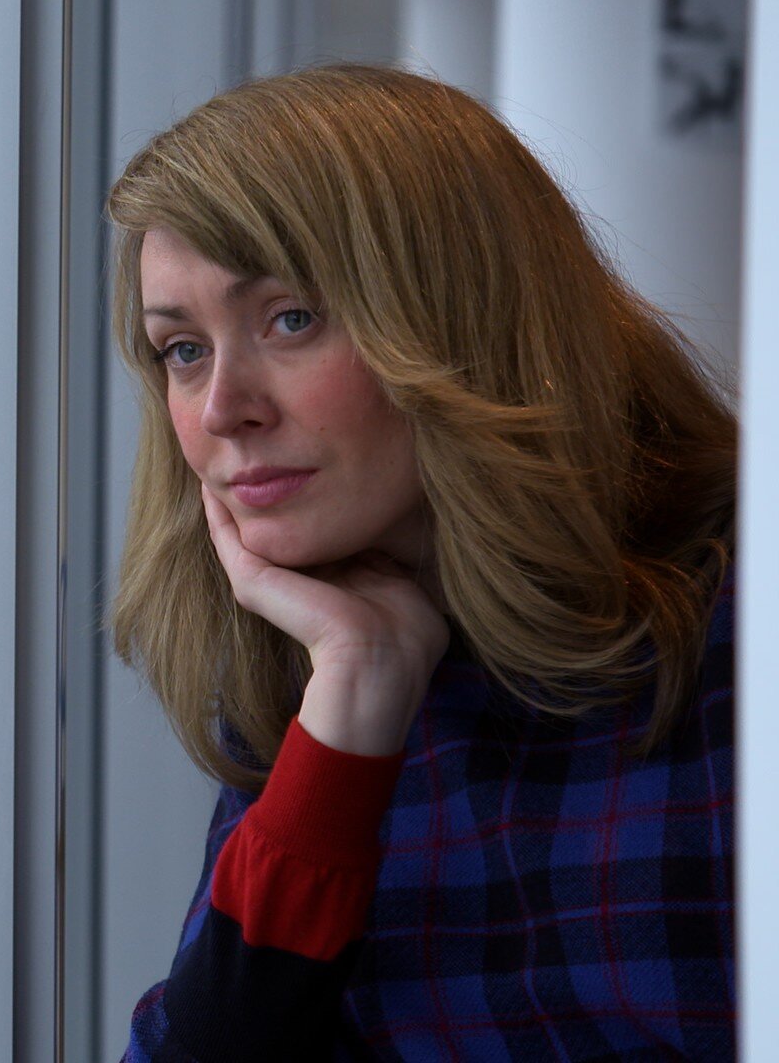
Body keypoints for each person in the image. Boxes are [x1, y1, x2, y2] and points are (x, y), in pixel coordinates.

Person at [105, 63, 736, 1061]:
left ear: (463, 319)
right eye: (183, 349)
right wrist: (357, 698)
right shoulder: (318, 667)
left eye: (290, 318)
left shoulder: (739, 624)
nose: (223, 409)